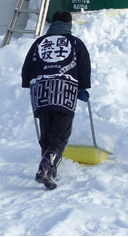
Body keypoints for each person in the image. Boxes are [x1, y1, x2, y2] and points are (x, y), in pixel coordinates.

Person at [21, 10, 92, 190]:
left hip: (41, 92)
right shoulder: (75, 43)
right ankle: (45, 169)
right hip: (64, 92)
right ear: (69, 25)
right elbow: (84, 67)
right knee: (60, 136)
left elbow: (27, 69)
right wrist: (82, 87)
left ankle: (51, 171)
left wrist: (31, 84)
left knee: (47, 135)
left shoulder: (39, 42)